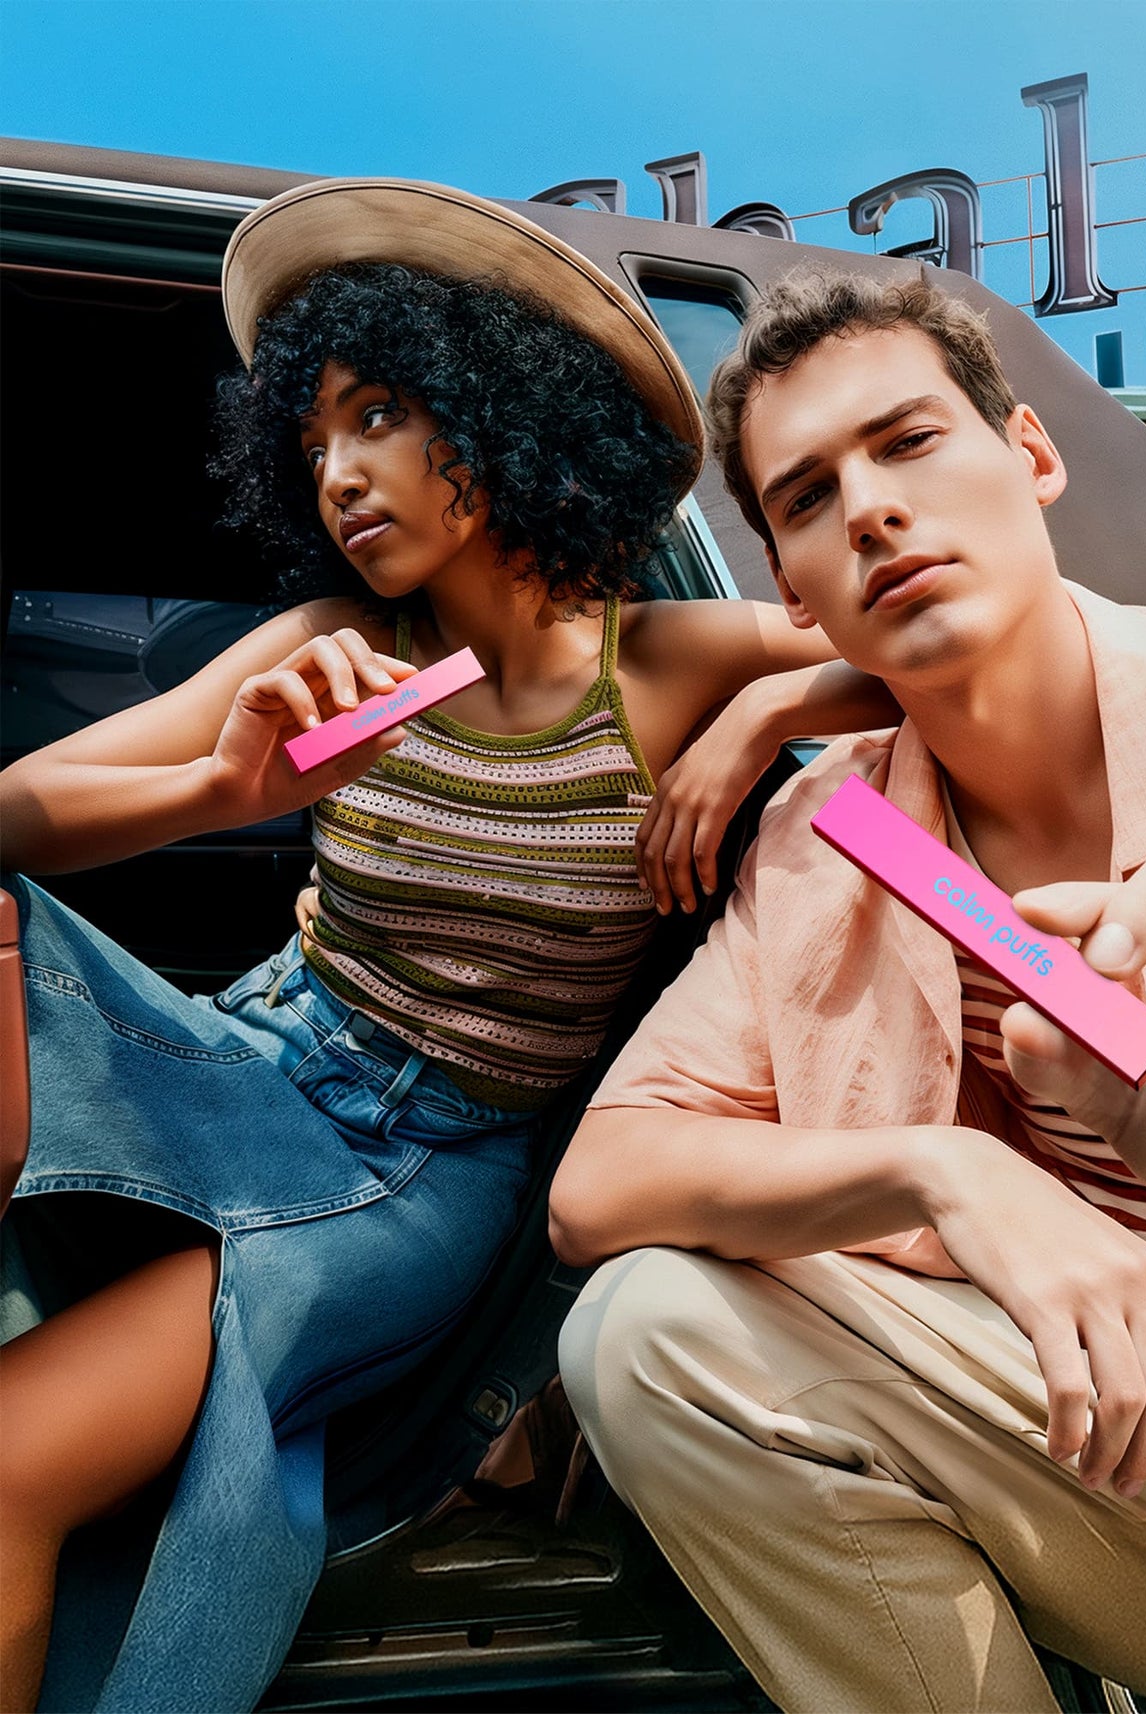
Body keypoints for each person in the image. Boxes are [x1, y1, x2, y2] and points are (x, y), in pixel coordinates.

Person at [0, 183, 898, 1714]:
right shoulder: (328, 645)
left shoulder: (667, 663)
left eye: (382, 416)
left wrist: (764, 709)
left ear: (498, 411)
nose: (342, 474)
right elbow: (20, 810)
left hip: (414, 1172)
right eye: (318, 442)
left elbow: (933, 636)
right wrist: (226, 789)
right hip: (248, 1062)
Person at [551, 271, 1146, 1713]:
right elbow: (598, 1181)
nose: (867, 507)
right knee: (649, 1329)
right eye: (807, 500)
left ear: (1034, 457)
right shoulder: (835, 837)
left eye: (909, 442)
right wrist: (948, 1178)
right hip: (1096, 1454)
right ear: (795, 594)